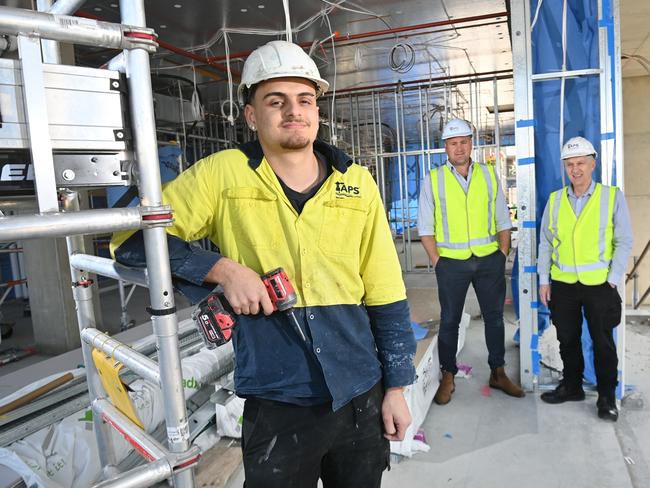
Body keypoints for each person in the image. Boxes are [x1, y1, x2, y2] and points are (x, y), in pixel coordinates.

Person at [110, 40, 416, 487]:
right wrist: (221, 269)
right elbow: (130, 239)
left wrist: (396, 388)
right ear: (252, 115)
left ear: (317, 108)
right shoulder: (222, 174)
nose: (294, 110)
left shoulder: (356, 182)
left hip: (359, 393)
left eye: (305, 99)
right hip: (277, 399)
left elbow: (386, 290)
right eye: (277, 101)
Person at [417, 118, 524, 405]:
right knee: (450, 320)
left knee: (494, 318)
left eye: (464, 141)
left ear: (471, 144)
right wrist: (437, 261)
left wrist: (502, 253)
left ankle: (498, 372)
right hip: (451, 263)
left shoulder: (489, 175)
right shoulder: (434, 179)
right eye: (453, 143)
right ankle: (448, 375)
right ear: (446, 148)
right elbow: (425, 227)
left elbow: (503, 218)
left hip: (489, 259)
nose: (459, 148)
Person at [538, 136, 633, 421]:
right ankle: (572, 386)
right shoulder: (555, 201)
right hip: (564, 284)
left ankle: (606, 397)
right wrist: (545, 279)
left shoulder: (611, 196)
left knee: (602, 342)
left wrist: (614, 278)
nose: (575, 169)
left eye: (580, 163)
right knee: (567, 339)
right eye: (570, 164)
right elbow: (545, 242)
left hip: (600, 285)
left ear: (593, 164)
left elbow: (624, 240)